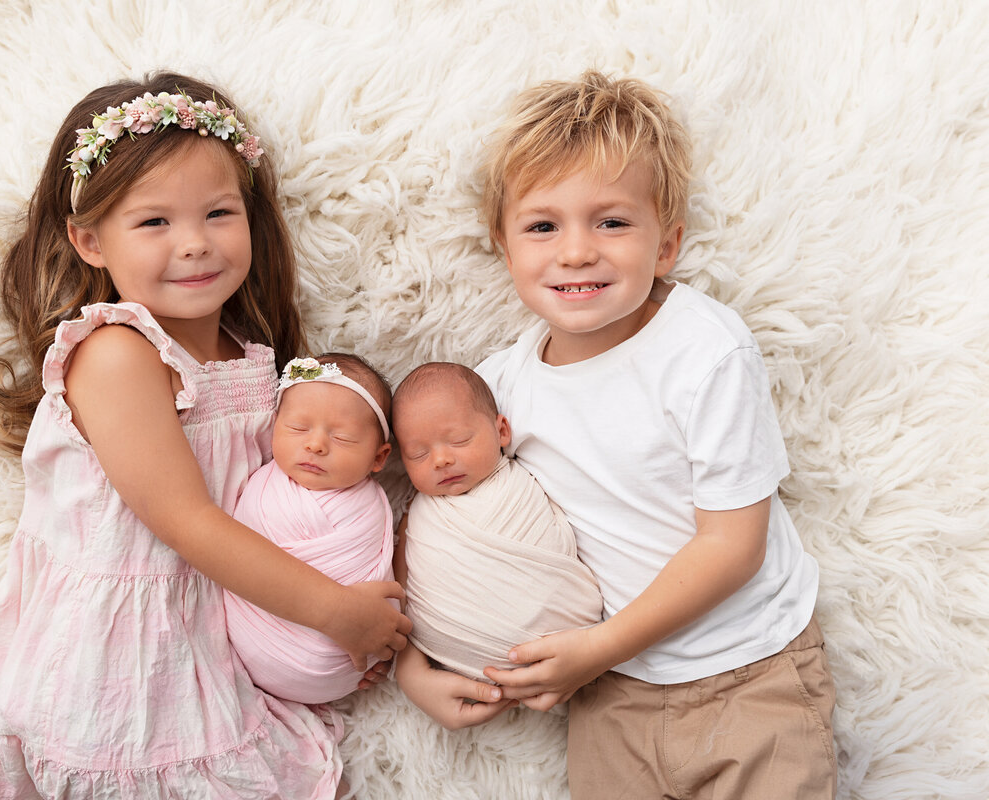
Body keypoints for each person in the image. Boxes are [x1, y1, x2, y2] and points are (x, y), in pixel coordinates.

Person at [0, 72, 410, 799]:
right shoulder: (116, 353)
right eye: (154, 222)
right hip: (126, 654)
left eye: (218, 213)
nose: (195, 244)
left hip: (225, 626)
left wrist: (339, 626)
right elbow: (188, 521)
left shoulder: (253, 357)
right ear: (89, 241)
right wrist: (333, 612)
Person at [395, 69, 836, 798]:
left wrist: (594, 650)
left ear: (666, 246)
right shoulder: (494, 390)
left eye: (612, 222)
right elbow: (437, 537)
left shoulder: (704, 350)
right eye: (543, 226)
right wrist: (416, 672)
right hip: (613, 697)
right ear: (506, 252)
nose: (575, 252)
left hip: (750, 675)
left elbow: (732, 545)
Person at [389, 362, 601, 684]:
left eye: (459, 440)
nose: (441, 460)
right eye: (418, 454)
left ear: (501, 431)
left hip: (569, 644)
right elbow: (401, 581)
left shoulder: (527, 480)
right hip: (462, 662)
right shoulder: (419, 514)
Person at [224, 353, 397, 704]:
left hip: (351, 660)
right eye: (298, 428)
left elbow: (381, 577)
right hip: (253, 649)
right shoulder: (258, 485)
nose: (315, 444)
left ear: (379, 458)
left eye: (344, 437)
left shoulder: (373, 509)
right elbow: (232, 558)